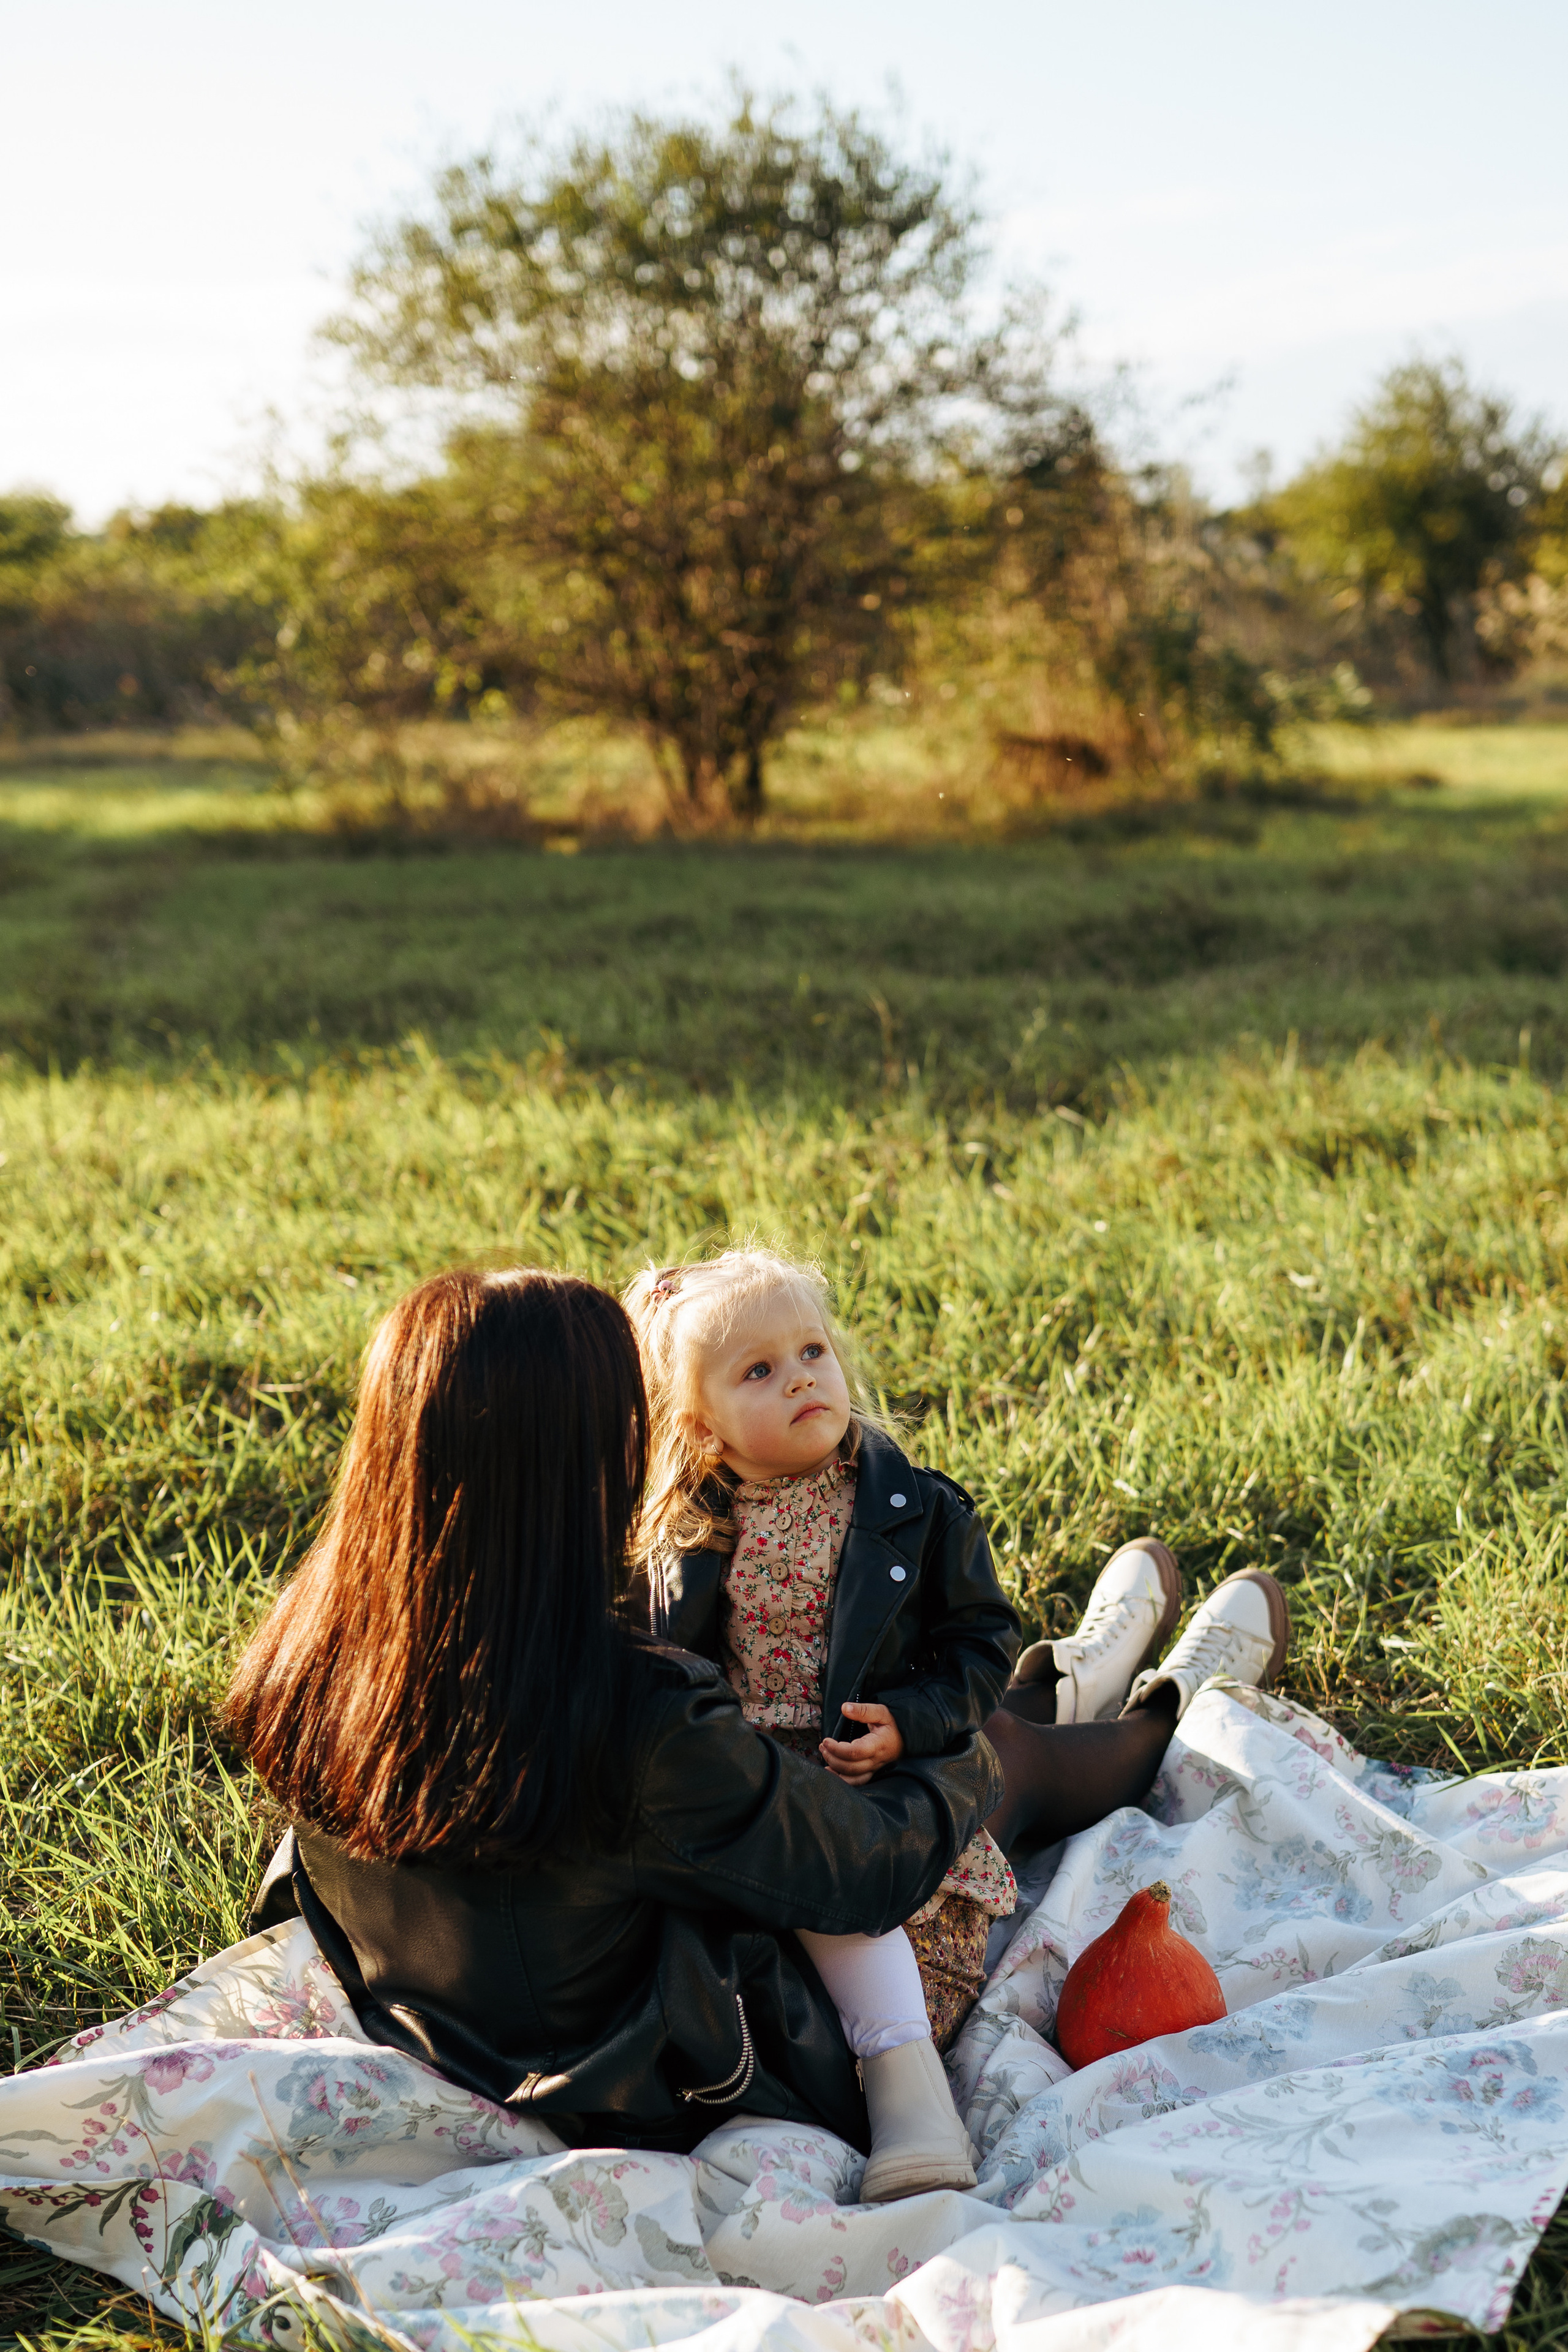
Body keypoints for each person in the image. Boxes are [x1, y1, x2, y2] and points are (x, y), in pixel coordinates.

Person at [226, 1267, 1005, 2196]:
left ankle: (1081, 1676)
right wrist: (961, 1751)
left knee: (942, 1722)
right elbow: (869, 1873)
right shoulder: (634, 1716)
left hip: (446, 2013)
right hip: (684, 2063)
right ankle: (1106, 1695)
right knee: (994, 1767)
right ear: (587, 1459)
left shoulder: (325, 1654)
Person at [625, 1246, 1289, 2197]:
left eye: (812, 1349)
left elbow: (973, 1641)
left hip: (891, 1790)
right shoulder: (684, 1535)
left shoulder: (913, 1509)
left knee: (1036, 1762)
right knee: (1006, 1756)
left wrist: (908, 1722)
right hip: (771, 1799)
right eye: (759, 1371)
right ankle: (1075, 1675)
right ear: (702, 1425)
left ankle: (1170, 1705)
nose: (803, 1376)